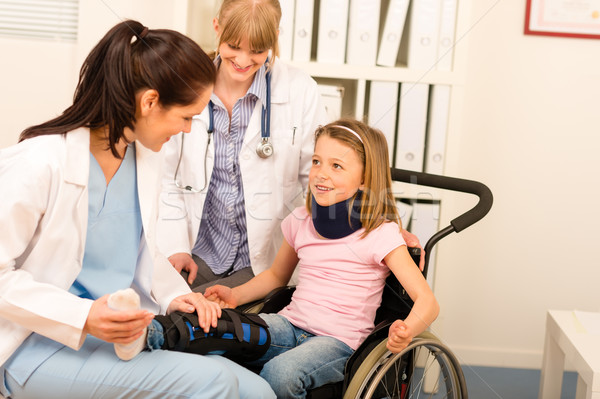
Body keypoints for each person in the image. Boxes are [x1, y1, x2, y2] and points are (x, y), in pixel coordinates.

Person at [0, 20, 274, 399]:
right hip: (34, 345)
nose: (189, 129)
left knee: (258, 391)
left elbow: (140, 250)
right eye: (186, 117)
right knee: (217, 383)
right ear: (149, 102)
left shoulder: (141, 157)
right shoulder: (40, 163)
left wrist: (174, 296)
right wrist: (83, 316)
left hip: (115, 335)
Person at [158, 0, 423, 293]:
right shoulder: (186, 85)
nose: (244, 60)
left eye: (258, 50)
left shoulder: (299, 90)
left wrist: (379, 224)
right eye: (234, 45)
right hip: (198, 251)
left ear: (275, 37)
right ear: (217, 26)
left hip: (264, 260)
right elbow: (165, 176)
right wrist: (175, 246)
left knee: (197, 317)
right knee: (163, 304)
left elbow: (326, 176)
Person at [205, 119, 440, 398]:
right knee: (223, 339)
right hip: (290, 324)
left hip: (339, 342)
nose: (320, 173)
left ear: (365, 178)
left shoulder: (381, 235)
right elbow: (276, 276)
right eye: (317, 161)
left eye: (336, 166)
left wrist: (407, 330)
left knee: (280, 375)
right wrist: (234, 296)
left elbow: (428, 302)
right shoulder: (301, 220)